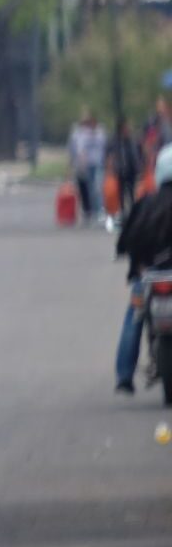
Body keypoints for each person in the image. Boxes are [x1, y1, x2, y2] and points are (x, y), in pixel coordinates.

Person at [114, 159, 172, 394]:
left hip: (149, 276)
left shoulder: (145, 204)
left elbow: (126, 240)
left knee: (134, 316)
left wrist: (138, 263)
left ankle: (124, 375)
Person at [69, 108, 108, 223]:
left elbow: (104, 146)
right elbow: (79, 149)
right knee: (90, 189)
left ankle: (100, 209)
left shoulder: (100, 132)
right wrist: (79, 163)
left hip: (99, 163)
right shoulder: (82, 134)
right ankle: (92, 210)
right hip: (88, 164)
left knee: (98, 187)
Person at [110, 116, 143, 220]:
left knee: (131, 192)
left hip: (130, 170)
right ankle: (122, 211)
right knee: (121, 193)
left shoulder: (131, 140)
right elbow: (111, 154)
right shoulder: (115, 141)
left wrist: (138, 167)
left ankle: (133, 211)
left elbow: (136, 154)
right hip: (120, 170)